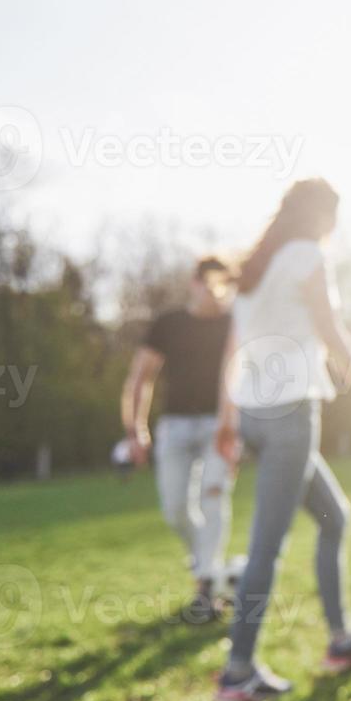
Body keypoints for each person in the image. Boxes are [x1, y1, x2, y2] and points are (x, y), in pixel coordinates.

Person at [212, 178, 351, 701]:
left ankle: (341, 641)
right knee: (266, 549)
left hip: (253, 412)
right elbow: (332, 332)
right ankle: (237, 672)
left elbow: (233, 349)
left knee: (334, 518)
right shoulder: (305, 256)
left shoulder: (255, 268)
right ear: (321, 216)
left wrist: (227, 419)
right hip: (290, 413)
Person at [121, 256, 240, 623]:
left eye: (225, 284)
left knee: (213, 497)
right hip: (175, 427)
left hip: (220, 425)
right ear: (195, 282)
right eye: (209, 282)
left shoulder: (236, 323)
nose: (216, 291)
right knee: (175, 508)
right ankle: (213, 567)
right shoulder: (169, 324)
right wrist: (135, 428)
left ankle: (205, 586)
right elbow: (141, 378)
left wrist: (234, 425)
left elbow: (244, 376)